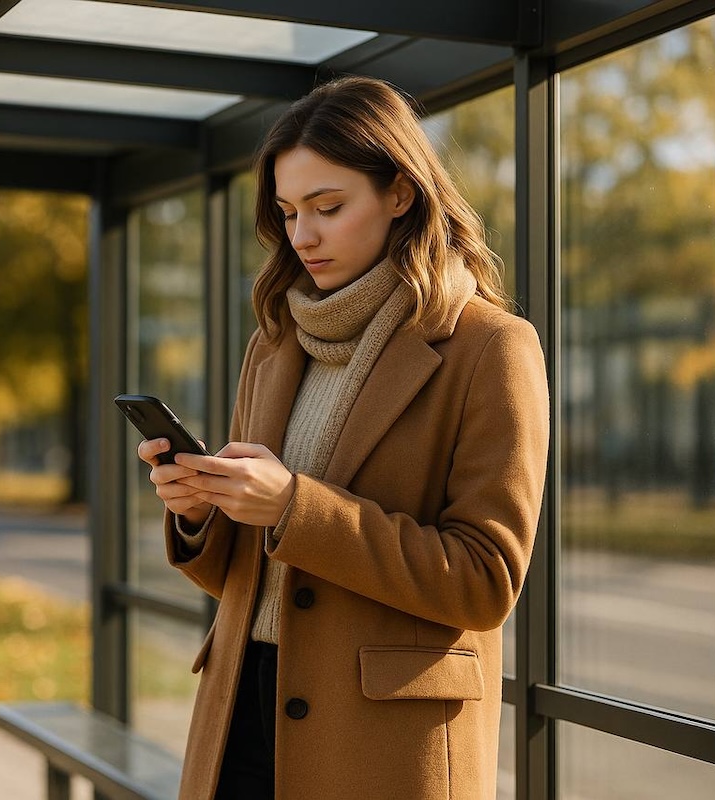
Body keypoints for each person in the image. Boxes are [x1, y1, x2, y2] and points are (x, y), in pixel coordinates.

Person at [136, 75, 549, 800]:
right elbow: (245, 578)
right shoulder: (273, 343)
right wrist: (202, 510)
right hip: (240, 715)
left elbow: (485, 581)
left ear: (400, 193)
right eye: (289, 211)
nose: (302, 236)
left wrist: (297, 506)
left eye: (329, 207)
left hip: (382, 747)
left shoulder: (491, 348)